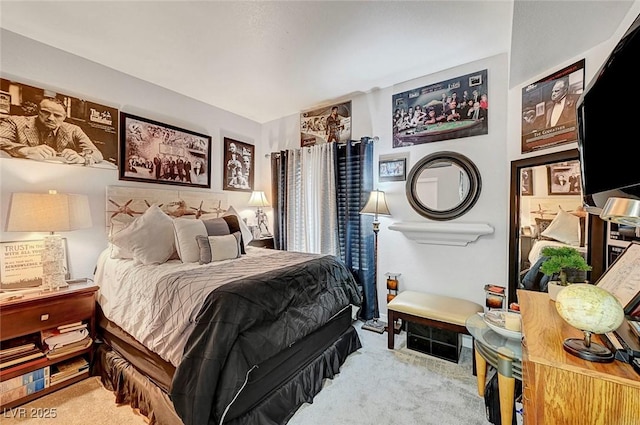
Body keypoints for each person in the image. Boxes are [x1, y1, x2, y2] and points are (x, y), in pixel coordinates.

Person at [0, 97, 103, 164]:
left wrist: (81, 158)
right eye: (45, 112)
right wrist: (26, 151)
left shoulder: (74, 130)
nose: (51, 118)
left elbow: (97, 154)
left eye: (57, 115)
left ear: (64, 117)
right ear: (38, 111)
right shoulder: (15, 122)